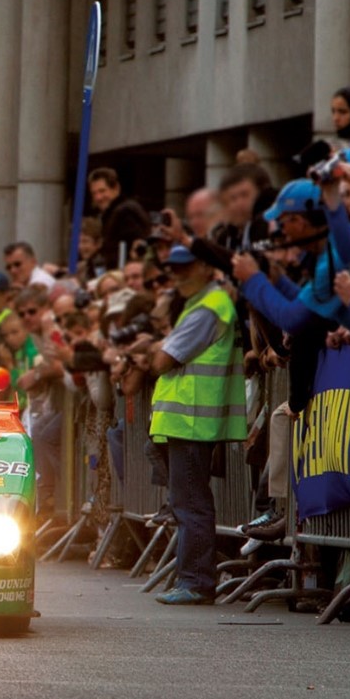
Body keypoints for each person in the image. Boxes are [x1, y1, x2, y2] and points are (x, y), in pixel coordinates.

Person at [139, 246, 246, 605]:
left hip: (191, 422)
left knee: (191, 504)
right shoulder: (202, 304)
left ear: (205, 267)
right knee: (187, 502)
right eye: (173, 268)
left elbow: (162, 361)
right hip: (185, 421)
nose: (178, 275)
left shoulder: (208, 308)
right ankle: (193, 577)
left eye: (185, 268)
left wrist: (154, 349)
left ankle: (196, 581)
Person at [88, 167, 151, 269]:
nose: (98, 197)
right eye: (94, 193)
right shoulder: (114, 213)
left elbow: (136, 246)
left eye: (102, 191)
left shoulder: (124, 212)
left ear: (116, 188)